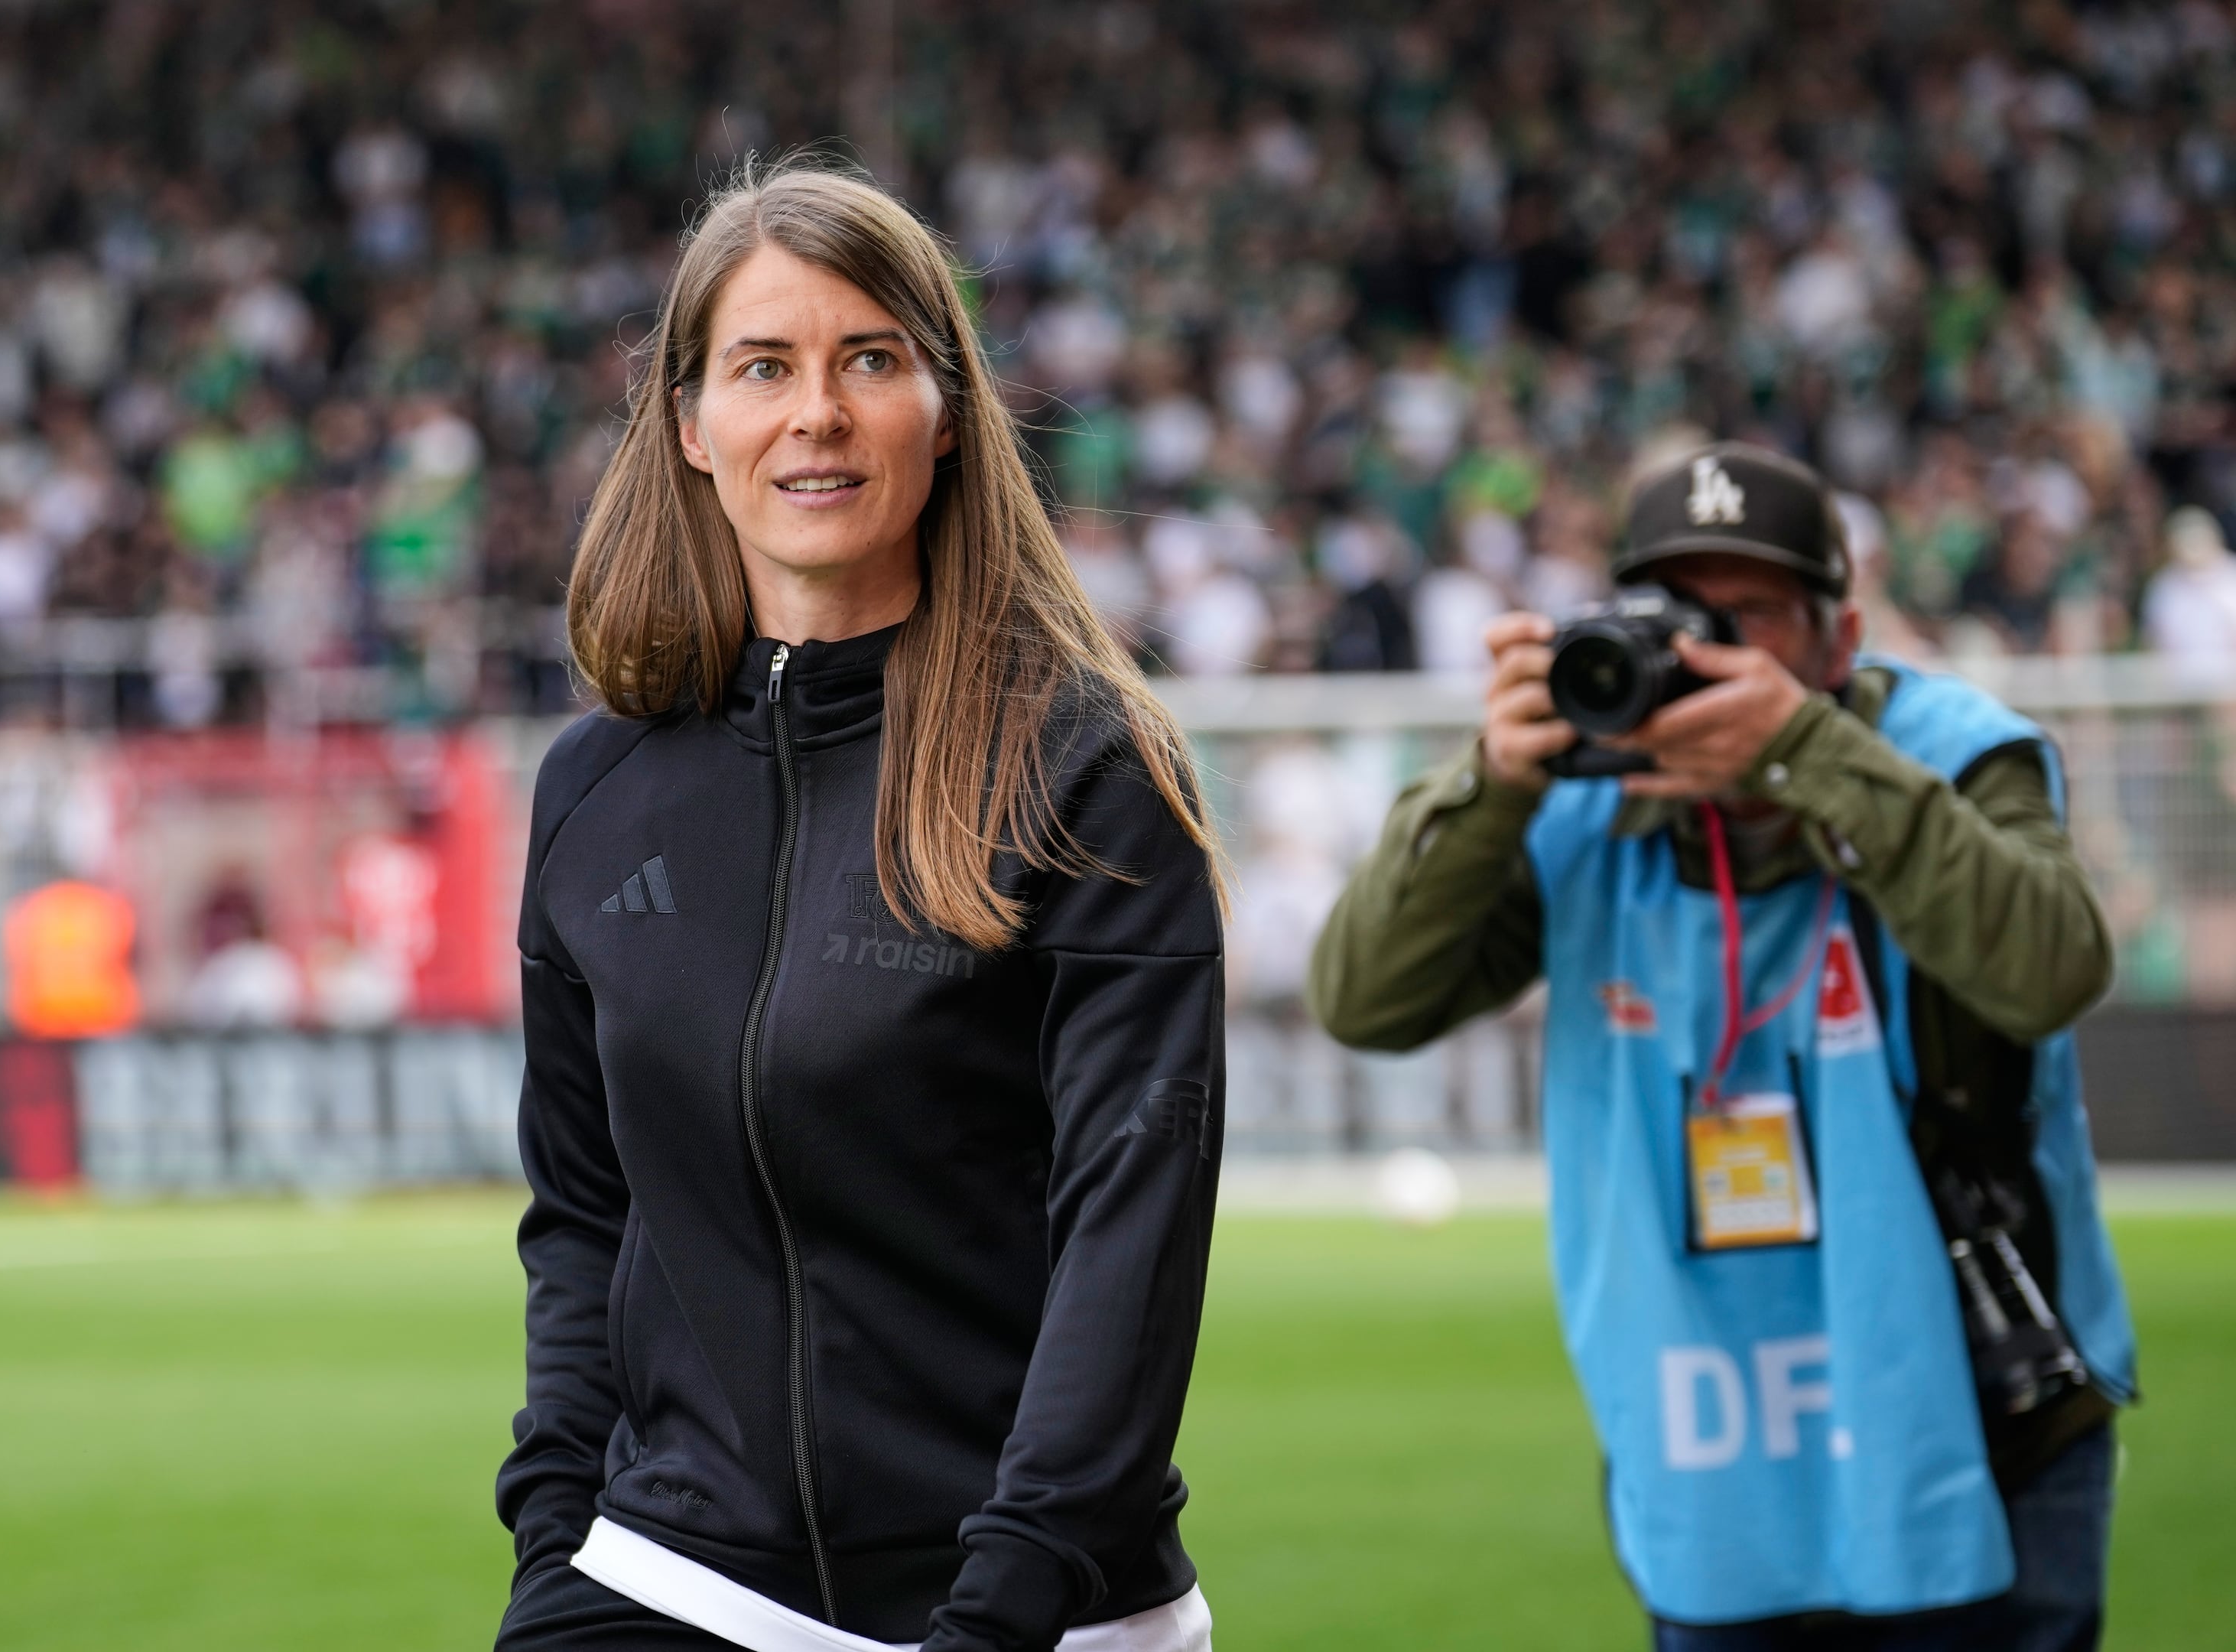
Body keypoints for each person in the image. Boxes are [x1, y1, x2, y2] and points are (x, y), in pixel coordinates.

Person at [496, 163, 1228, 1652]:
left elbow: (1128, 1245)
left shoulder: (1086, 770)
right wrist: (555, 1534)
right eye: (763, 367)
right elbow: (582, 1216)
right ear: (693, 427)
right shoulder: (595, 788)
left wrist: (1012, 1592)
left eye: (869, 360)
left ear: (946, 413)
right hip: (664, 1574)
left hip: (1039, 1603)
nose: (816, 412)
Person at [1309, 444, 2137, 1650]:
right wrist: (1491, 784)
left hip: (1984, 1415)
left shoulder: (1955, 752)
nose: (1713, 648)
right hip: (1709, 1447)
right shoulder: (1582, 791)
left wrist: (1809, 756)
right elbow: (1366, 999)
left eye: (1751, 614)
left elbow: (2053, 966)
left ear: (1839, 639)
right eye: (1681, 612)